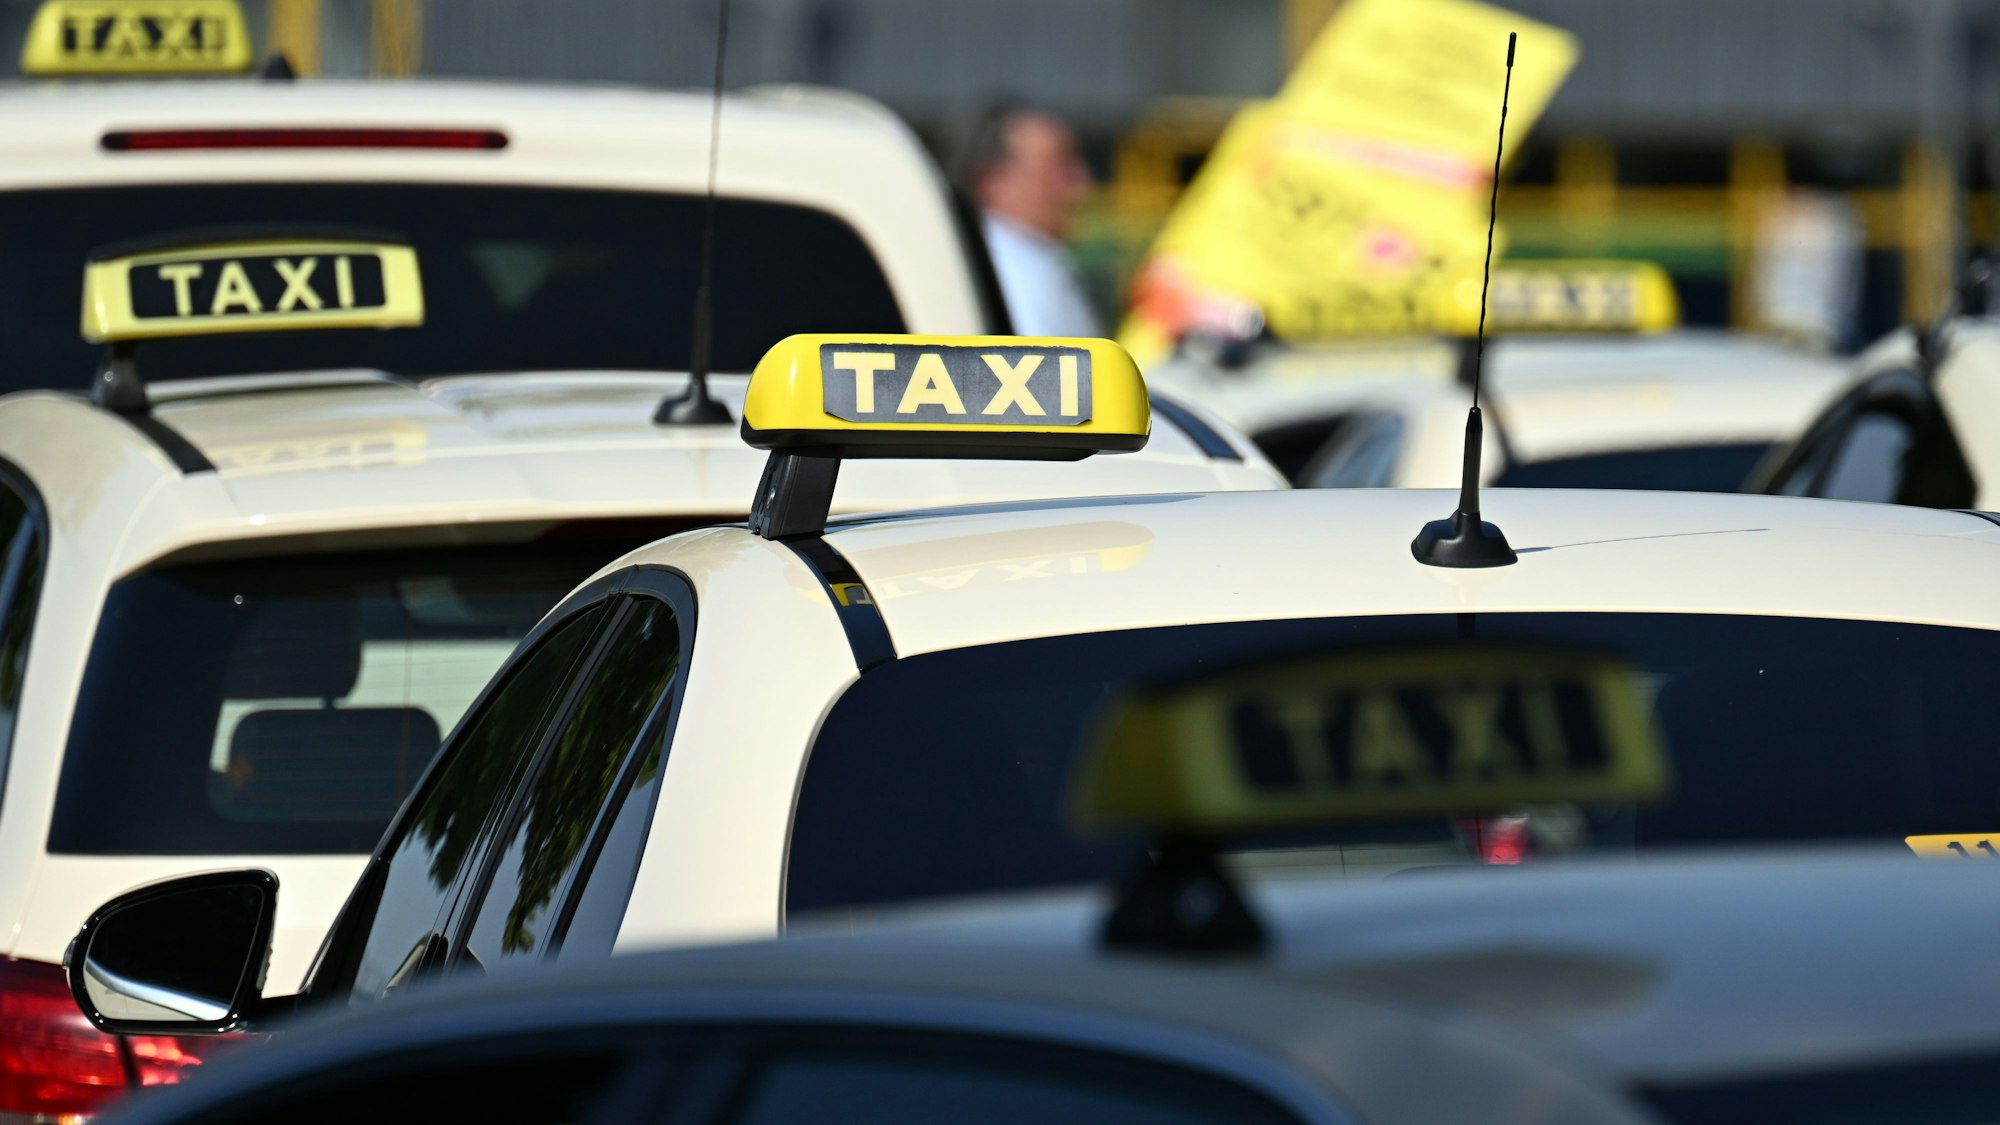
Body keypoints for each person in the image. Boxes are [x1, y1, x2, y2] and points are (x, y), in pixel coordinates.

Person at [945, 97, 1103, 337]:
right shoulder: (1006, 272)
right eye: (1056, 165)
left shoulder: (1025, 260)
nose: (1081, 182)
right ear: (990, 180)